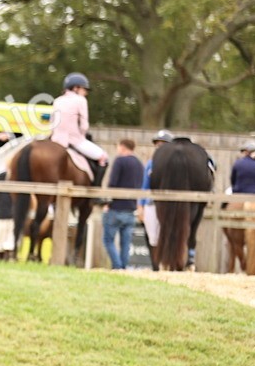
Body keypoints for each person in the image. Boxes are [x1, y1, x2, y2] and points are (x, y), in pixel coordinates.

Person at [49, 72, 108, 188]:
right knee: (104, 157)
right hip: (74, 140)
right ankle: (96, 191)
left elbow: (52, 122)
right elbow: (84, 126)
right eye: (84, 89)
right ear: (75, 88)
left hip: (56, 140)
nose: (85, 93)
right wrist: (82, 135)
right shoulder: (81, 100)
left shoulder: (57, 100)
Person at [102, 139, 144, 270]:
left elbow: (112, 183)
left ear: (122, 147)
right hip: (130, 208)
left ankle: (117, 266)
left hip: (116, 208)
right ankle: (124, 266)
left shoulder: (119, 161)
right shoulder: (139, 164)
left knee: (108, 240)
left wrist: (108, 202)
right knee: (126, 243)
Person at [138, 129, 173, 271]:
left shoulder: (173, 165)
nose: (159, 148)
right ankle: (155, 266)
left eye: (163, 144)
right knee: (151, 237)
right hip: (151, 204)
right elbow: (144, 186)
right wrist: (140, 205)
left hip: (169, 205)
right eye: (157, 145)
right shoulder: (150, 164)